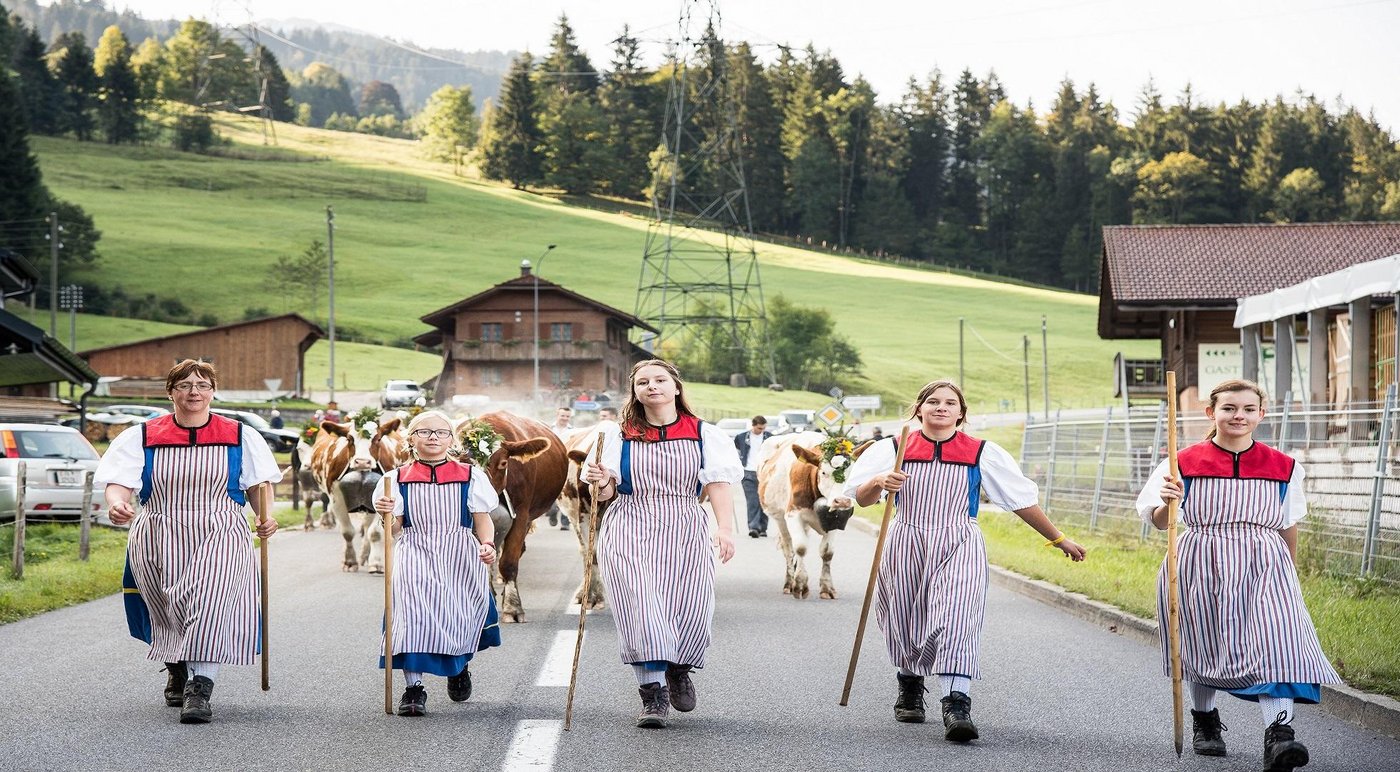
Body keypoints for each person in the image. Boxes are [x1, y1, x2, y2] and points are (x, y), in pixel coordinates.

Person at [845, 379, 1086, 742]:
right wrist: (879, 480)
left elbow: (1020, 500)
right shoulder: (892, 449)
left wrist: (1058, 538)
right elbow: (862, 500)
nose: (941, 408)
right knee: (905, 617)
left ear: (961, 413)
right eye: (933, 401)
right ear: (919, 408)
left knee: (958, 616)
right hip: (907, 538)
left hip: (959, 540)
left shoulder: (981, 452)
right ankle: (909, 682)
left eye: (949, 403)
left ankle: (956, 704)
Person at [1136, 379, 1338, 770]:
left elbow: (1288, 523)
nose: (1238, 416)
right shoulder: (1181, 462)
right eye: (1229, 408)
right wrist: (1167, 501)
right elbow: (1161, 523)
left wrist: (1290, 572)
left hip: (1264, 565)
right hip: (1200, 561)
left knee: (1280, 643)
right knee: (1203, 642)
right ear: (1211, 413)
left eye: (1248, 409)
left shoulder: (1284, 466)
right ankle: (1206, 722)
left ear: (1261, 414)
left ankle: (1279, 737)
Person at [95, 359, 281, 725]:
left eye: (202, 385)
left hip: (221, 529)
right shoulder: (142, 435)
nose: (193, 392)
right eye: (184, 385)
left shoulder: (240, 436)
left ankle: (201, 687)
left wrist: (264, 516)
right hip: (157, 531)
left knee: (210, 601)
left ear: (213, 391)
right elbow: (119, 481)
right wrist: (117, 502)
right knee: (167, 608)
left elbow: (261, 485)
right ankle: (177, 667)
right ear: (171, 392)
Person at [582, 359, 742, 728]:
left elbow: (718, 484)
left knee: (690, 607)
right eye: (642, 382)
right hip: (630, 524)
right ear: (634, 392)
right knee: (640, 607)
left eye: (659, 380)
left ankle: (679, 667)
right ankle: (652, 693)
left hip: (685, 524)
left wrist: (725, 529)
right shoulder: (616, 434)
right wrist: (600, 478)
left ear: (676, 387)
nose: (651, 387)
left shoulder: (704, 433)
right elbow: (604, 493)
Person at [374, 410, 501, 717]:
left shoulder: (471, 476)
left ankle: (458, 667)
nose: (433, 437)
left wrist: (487, 544)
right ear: (411, 440)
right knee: (411, 616)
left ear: (451, 439)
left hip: (458, 551)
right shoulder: (394, 480)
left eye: (440, 432)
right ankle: (414, 690)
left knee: (458, 613)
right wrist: (385, 513)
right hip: (415, 548)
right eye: (424, 432)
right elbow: (394, 530)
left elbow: (482, 520)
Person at [733, 415, 772, 538]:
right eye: (760, 428)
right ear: (753, 425)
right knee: (752, 501)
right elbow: (737, 451)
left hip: (765, 472)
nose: (762, 431)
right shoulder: (741, 437)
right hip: (748, 472)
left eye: (763, 428)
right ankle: (753, 527)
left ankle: (763, 528)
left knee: (764, 501)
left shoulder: (769, 438)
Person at [548, 407, 574, 529]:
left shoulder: (573, 431)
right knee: (551, 490)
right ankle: (552, 512)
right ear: (557, 415)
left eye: (567, 416)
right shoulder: (549, 429)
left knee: (566, 492)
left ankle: (565, 522)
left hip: (566, 464)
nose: (565, 418)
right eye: (562, 415)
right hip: (550, 464)